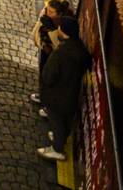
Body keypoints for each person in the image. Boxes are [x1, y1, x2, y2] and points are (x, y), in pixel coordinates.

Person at [36, 16, 91, 162]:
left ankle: (57, 149)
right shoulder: (80, 49)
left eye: (60, 28)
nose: (58, 29)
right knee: (65, 121)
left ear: (64, 31)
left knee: (57, 121)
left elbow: (48, 76)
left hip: (57, 96)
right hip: (71, 94)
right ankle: (60, 138)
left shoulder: (61, 53)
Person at [30, 0, 74, 106]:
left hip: (56, 56)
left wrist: (51, 30)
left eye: (51, 12)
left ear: (59, 14)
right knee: (43, 72)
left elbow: (60, 45)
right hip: (46, 51)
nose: (47, 13)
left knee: (52, 77)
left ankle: (48, 102)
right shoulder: (45, 16)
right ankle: (42, 95)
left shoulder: (64, 24)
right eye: (47, 9)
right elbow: (36, 33)